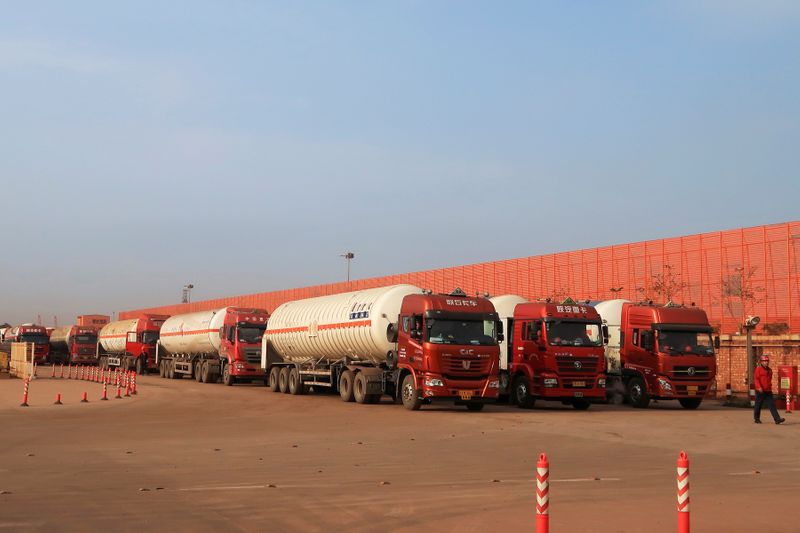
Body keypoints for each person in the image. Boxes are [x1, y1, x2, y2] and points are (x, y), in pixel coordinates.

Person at [754, 354, 786, 425]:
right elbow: (756, 379)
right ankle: (757, 419)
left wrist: (770, 387)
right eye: (764, 361)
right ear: (761, 362)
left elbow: (769, 380)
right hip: (760, 391)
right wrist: (759, 387)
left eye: (767, 361)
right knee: (758, 405)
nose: (766, 362)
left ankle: (777, 419)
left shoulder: (770, 370)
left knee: (772, 405)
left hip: (768, 391)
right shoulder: (758, 369)